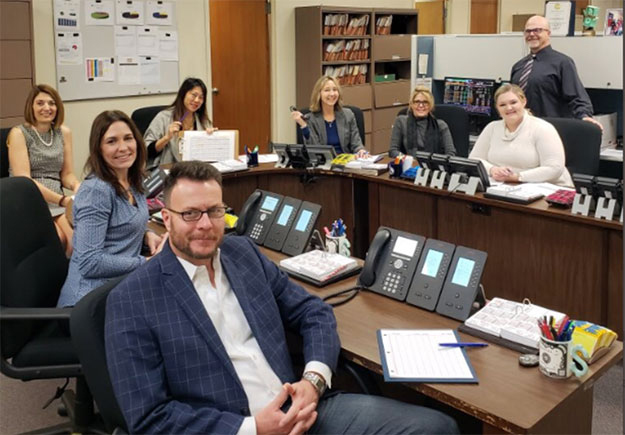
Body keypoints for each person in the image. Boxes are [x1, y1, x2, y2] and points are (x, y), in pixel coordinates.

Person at [105, 160, 459, 435]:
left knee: (437, 427)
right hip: (235, 428)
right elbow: (150, 418)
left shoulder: (243, 254)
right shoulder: (132, 300)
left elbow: (313, 311)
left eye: (214, 211)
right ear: (166, 219)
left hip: (305, 408)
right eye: (190, 214)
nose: (205, 224)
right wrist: (255, 428)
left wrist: (314, 381)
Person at [57, 111, 167, 307]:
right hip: (88, 304)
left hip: (119, 288)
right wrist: (146, 262)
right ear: (98, 149)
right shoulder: (97, 191)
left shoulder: (132, 179)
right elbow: (90, 262)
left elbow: (120, 224)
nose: (123, 147)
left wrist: (146, 234)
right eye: (112, 141)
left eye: (128, 138)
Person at [7, 84, 80, 256]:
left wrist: (78, 188)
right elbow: (25, 181)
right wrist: (63, 200)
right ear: (31, 107)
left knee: (75, 243)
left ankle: (75, 282)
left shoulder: (64, 132)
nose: (47, 108)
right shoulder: (18, 133)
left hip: (57, 201)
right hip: (30, 200)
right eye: (40, 103)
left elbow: (67, 174)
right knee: (59, 240)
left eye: (51, 103)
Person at [469, 84, 573, 187]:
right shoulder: (492, 128)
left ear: (523, 102)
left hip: (547, 189)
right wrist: (492, 170)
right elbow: (474, 159)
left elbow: (554, 168)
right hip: (503, 186)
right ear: (497, 109)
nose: (509, 108)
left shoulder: (542, 128)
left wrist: (517, 177)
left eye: (513, 102)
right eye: (502, 105)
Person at [510, 15, 602, 130]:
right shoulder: (518, 66)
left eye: (537, 30)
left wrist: (584, 116)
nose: (532, 34)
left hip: (550, 131)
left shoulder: (562, 63)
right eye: (528, 31)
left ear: (548, 33)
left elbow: (577, 97)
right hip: (520, 130)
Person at [144, 77, 217, 168]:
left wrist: (212, 139)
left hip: (195, 169)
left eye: (201, 97)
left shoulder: (203, 121)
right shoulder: (164, 117)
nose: (197, 100)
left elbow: (209, 156)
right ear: (183, 94)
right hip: (169, 169)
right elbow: (146, 151)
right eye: (194, 95)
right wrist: (166, 138)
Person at [291, 75, 368, 157]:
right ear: (319, 94)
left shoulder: (348, 115)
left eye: (335, 90)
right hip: (324, 165)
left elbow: (356, 143)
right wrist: (303, 125)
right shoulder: (310, 119)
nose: (332, 94)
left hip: (346, 164)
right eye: (327, 90)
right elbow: (314, 151)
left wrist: (361, 150)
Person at [389, 86, 456, 158]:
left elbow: (451, 154)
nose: (421, 105)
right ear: (411, 104)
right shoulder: (401, 121)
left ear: (430, 105)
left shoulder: (441, 125)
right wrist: (408, 159)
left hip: (434, 166)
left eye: (425, 102)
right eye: (417, 102)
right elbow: (393, 151)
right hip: (409, 166)